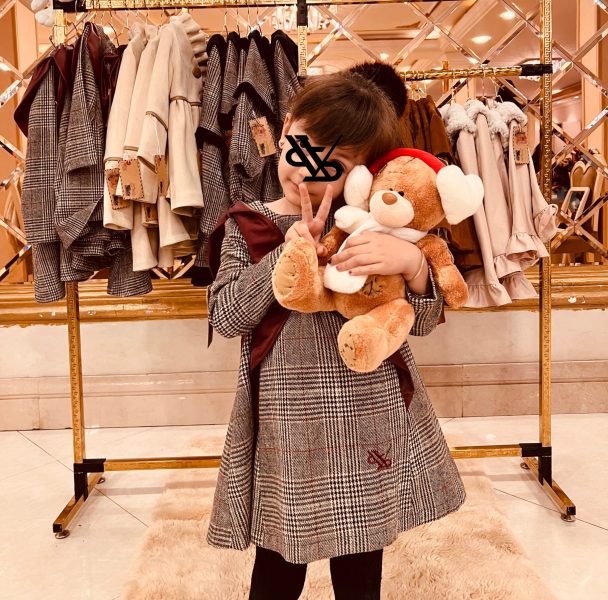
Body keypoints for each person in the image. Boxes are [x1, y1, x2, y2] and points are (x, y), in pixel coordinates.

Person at [206, 69, 466, 600]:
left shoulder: (376, 227)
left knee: (360, 562)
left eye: (334, 165)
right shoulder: (248, 224)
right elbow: (225, 316)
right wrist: (287, 254)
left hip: (368, 412)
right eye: (303, 148)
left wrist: (413, 263)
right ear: (285, 132)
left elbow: (422, 320)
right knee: (280, 563)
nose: (308, 173)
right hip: (286, 423)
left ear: (363, 174)